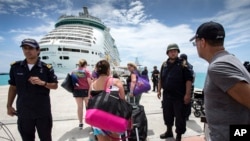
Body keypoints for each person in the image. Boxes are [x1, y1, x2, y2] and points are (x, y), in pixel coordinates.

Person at [190, 21, 250, 141]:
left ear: (202, 42)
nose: (195, 46)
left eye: (195, 43)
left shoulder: (219, 66)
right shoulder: (230, 59)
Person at [7, 38, 58, 141]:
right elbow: (13, 87)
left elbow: (55, 85)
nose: (27, 51)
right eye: (25, 48)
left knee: (46, 138)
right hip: (24, 112)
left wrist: (43, 83)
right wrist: (9, 105)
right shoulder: (16, 67)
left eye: (30, 48)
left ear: (38, 50)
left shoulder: (46, 68)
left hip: (42, 112)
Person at [157, 43, 193, 141]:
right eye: (171, 51)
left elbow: (188, 80)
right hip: (167, 95)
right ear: (167, 53)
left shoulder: (183, 64)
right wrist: (159, 90)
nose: (173, 53)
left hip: (179, 96)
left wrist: (187, 94)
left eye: (175, 51)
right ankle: (169, 131)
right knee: (167, 114)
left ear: (177, 52)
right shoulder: (164, 64)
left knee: (180, 116)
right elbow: (161, 78)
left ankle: (179, 136)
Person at [89, 59, 125, 141]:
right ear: (108, 70)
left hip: (98, 118)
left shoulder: (93, 84)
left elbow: (89, 102)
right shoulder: (116, 82)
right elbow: (122, 100)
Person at [71, 59, 92, 129]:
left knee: (79, 107)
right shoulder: (86, 71)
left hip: (77, 91)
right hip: (85, 91)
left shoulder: (73, 71)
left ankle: (80, 123)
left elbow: (72, 81)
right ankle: (90, 122)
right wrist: (90, 93)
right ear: (85, 64)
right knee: (88, 108)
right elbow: (90, 83)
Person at [180, 53, 195, 121]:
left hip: (184, 87)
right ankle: (186, 115)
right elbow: (193, 78)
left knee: (184, 101)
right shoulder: (190, 66)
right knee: (188, 101)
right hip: (191, 86)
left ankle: (184, 115)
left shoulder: (184, 66)